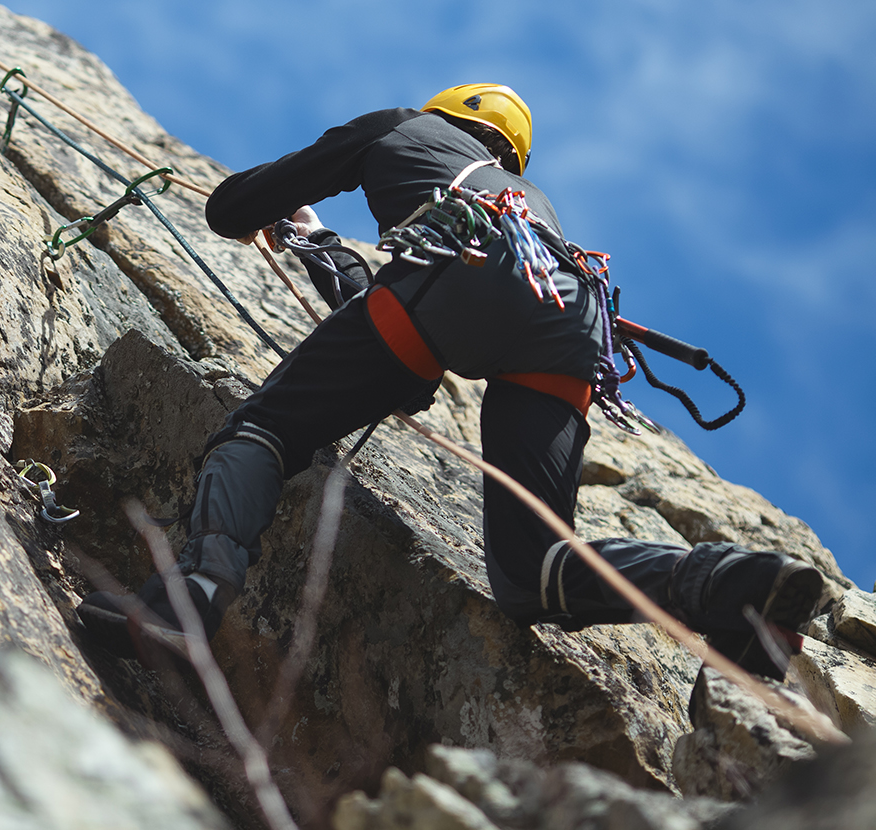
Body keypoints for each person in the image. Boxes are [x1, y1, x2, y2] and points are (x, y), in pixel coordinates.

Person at [76, 83, 825, 680]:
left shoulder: (401, 125)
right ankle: (720, 584)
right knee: (534, 573)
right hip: (573, 323)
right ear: (512, 153)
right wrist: (330, 257)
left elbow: (231, 207)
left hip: (457, 277)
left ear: (447, 113)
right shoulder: (537, 204)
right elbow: (405, 353)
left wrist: (294, 219)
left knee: (266, 430)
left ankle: (192, 597)